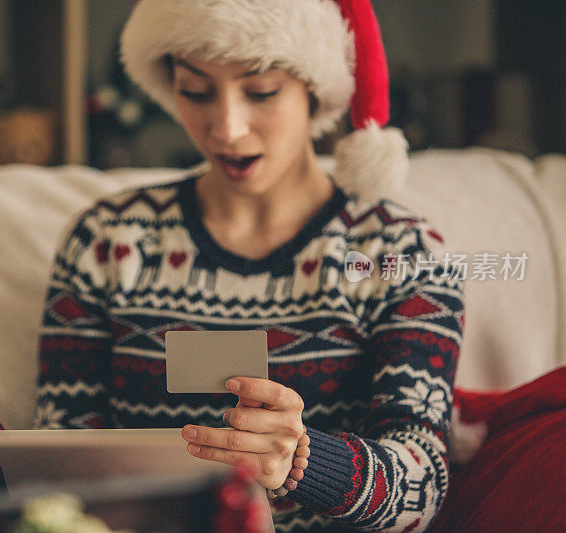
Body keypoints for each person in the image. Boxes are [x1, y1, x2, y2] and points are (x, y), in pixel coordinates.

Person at [34, 1, 464, 531]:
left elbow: (423, 484)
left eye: (261, 92)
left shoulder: (401, 251)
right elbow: (56, 451)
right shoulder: (106, 239)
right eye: (195, 90)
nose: (227, 128)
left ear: (315, 90)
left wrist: (304, 462)